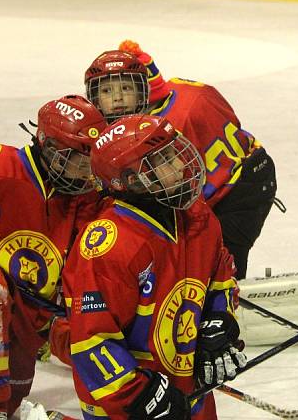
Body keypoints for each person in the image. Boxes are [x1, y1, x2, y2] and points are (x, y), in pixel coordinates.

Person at [63, 114, 245, 420]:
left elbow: (220, 277)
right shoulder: (107, 246)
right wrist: (140, 396)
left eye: (174, 153)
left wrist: (217, 323)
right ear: (132, 181)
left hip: (190, 391)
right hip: (128, 407)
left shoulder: (197, 216)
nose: (179, 165)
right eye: (164, 161)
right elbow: (91, 341)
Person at [0, 95, 106, 420]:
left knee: (1, 395)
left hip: (33, 308)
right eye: (76, 160)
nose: (85, 171)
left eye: (90, 160)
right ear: (48, 147)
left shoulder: (89, 195)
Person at [84, 41, 278, 279]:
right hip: (226, 177)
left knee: (216, 266)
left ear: (144, 93)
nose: (117, 99)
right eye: (107, 91)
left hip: (240, 188)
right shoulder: (181, 92)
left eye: (126, 89)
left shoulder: (164, 129)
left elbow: (178, 189)